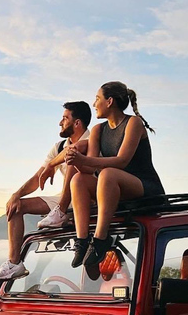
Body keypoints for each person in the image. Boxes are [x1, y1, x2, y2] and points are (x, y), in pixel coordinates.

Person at [0, 101, 92, 282]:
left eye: (65, 118)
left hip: (89, 197)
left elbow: (74, 154)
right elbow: (38, 177)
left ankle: (60, 211)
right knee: (16, 206)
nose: (60, 123)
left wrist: (54, 164)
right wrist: (16, 194)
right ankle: (14, 264)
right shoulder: (58, 147)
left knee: (74, 159)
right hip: (65, 198)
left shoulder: (93, 140)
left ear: (77, 123)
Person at [65, 82, 164, 268]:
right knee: (78, 179)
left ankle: (100, 238)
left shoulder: (133, 123)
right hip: (111, 186)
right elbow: (89, 168)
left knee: (108, 173)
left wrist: (84, 160)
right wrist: (76, 161)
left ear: (109, 101)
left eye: (97, 99)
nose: (94, 104)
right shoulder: (97, 130)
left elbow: (122, 161)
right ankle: (82, 240)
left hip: (143, 186)